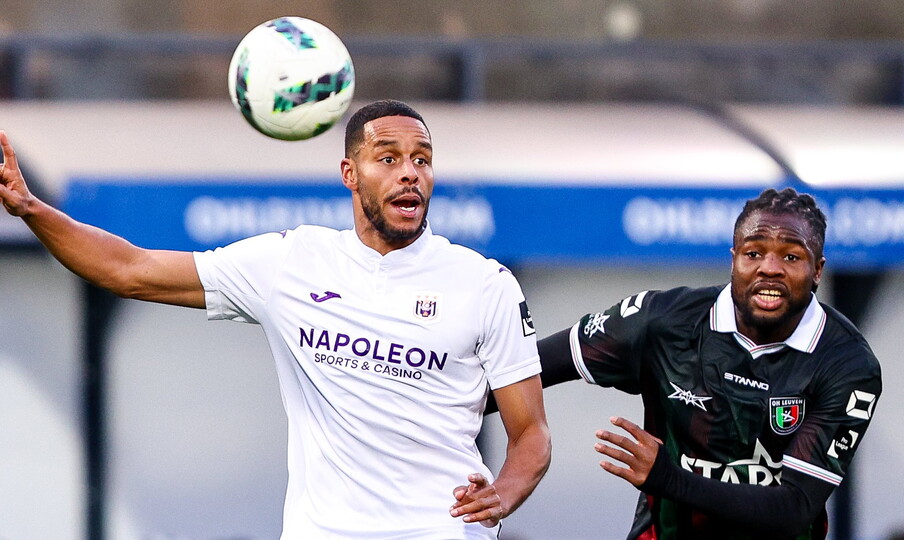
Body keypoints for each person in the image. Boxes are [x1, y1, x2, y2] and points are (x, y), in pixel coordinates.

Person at [0, 99, 551, 539]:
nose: (410, 173)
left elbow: (531, 434)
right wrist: (31, 208)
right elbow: (130, 269)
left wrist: (503, 495)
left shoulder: (485, 285)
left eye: (422, 160)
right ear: (350, 173)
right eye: (388, 158)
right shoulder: (293, 262)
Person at [528, 188, 882, 539]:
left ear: (817, 270)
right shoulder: (661, 321)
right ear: (734, 259)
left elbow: (794, 508)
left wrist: (669, 479)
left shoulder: (847, 364)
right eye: (753, 253)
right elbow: (525, 369)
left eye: (791, 257)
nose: (770, 269)